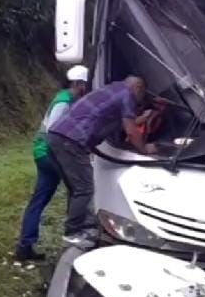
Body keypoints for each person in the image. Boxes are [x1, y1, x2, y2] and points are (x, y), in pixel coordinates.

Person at [47, 75, 156, 246]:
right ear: (138, 88)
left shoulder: (110, 89)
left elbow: (119, 122)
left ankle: (80, 227)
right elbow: (131, 131)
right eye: (142, 95)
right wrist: (145, 149)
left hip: (56, 137)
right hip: (72, 140)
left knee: (76, 188)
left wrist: (142, 118)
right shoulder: (127, 94)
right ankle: (72, 233)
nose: (139, 101)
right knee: (85, 188)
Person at [14, 64, 89, 262]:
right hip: (49, 153)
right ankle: (74, 236)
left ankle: (25, 246)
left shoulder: (67, 99)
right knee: (80, 189)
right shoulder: (64, 101)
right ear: (79, 84)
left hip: (43, 153)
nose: (86, 90)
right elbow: (54, 132)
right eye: (85, 85)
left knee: (39, 199)